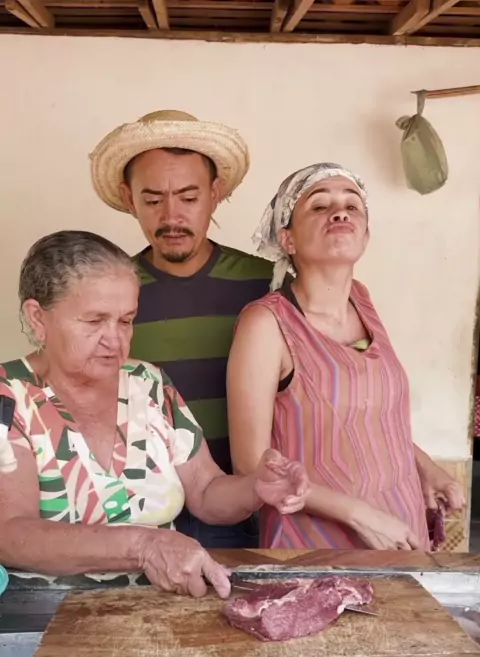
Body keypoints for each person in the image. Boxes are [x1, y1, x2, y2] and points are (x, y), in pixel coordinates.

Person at [0, 230, 309, 597]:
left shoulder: (148, 384)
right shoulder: (10, 397)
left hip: (157, 612)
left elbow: (205, 490)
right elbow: (10, 533)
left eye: (125, 320)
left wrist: (255, 487)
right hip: (47, 616)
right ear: (38, 318)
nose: (114, 340)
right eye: (94, 321)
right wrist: (143, 546)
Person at [226, 162, 465, 550]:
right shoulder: (266, 324)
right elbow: (252, 466)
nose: (340, 213)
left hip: (400, 534)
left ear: (365, 235)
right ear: (287, 239)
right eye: (320, 206)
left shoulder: (362, 300)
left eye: (352, 206)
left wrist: (426, 467)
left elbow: (369, 421)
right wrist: (361, 516)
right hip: (313, 549)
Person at [89, 110, 273, 549]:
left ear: (215, 193)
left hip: (246, 508)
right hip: (140, 515)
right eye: (153, 200)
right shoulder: (108, 295)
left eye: (188, 197)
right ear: (128, 198)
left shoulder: (267, 285)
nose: (171, 216)